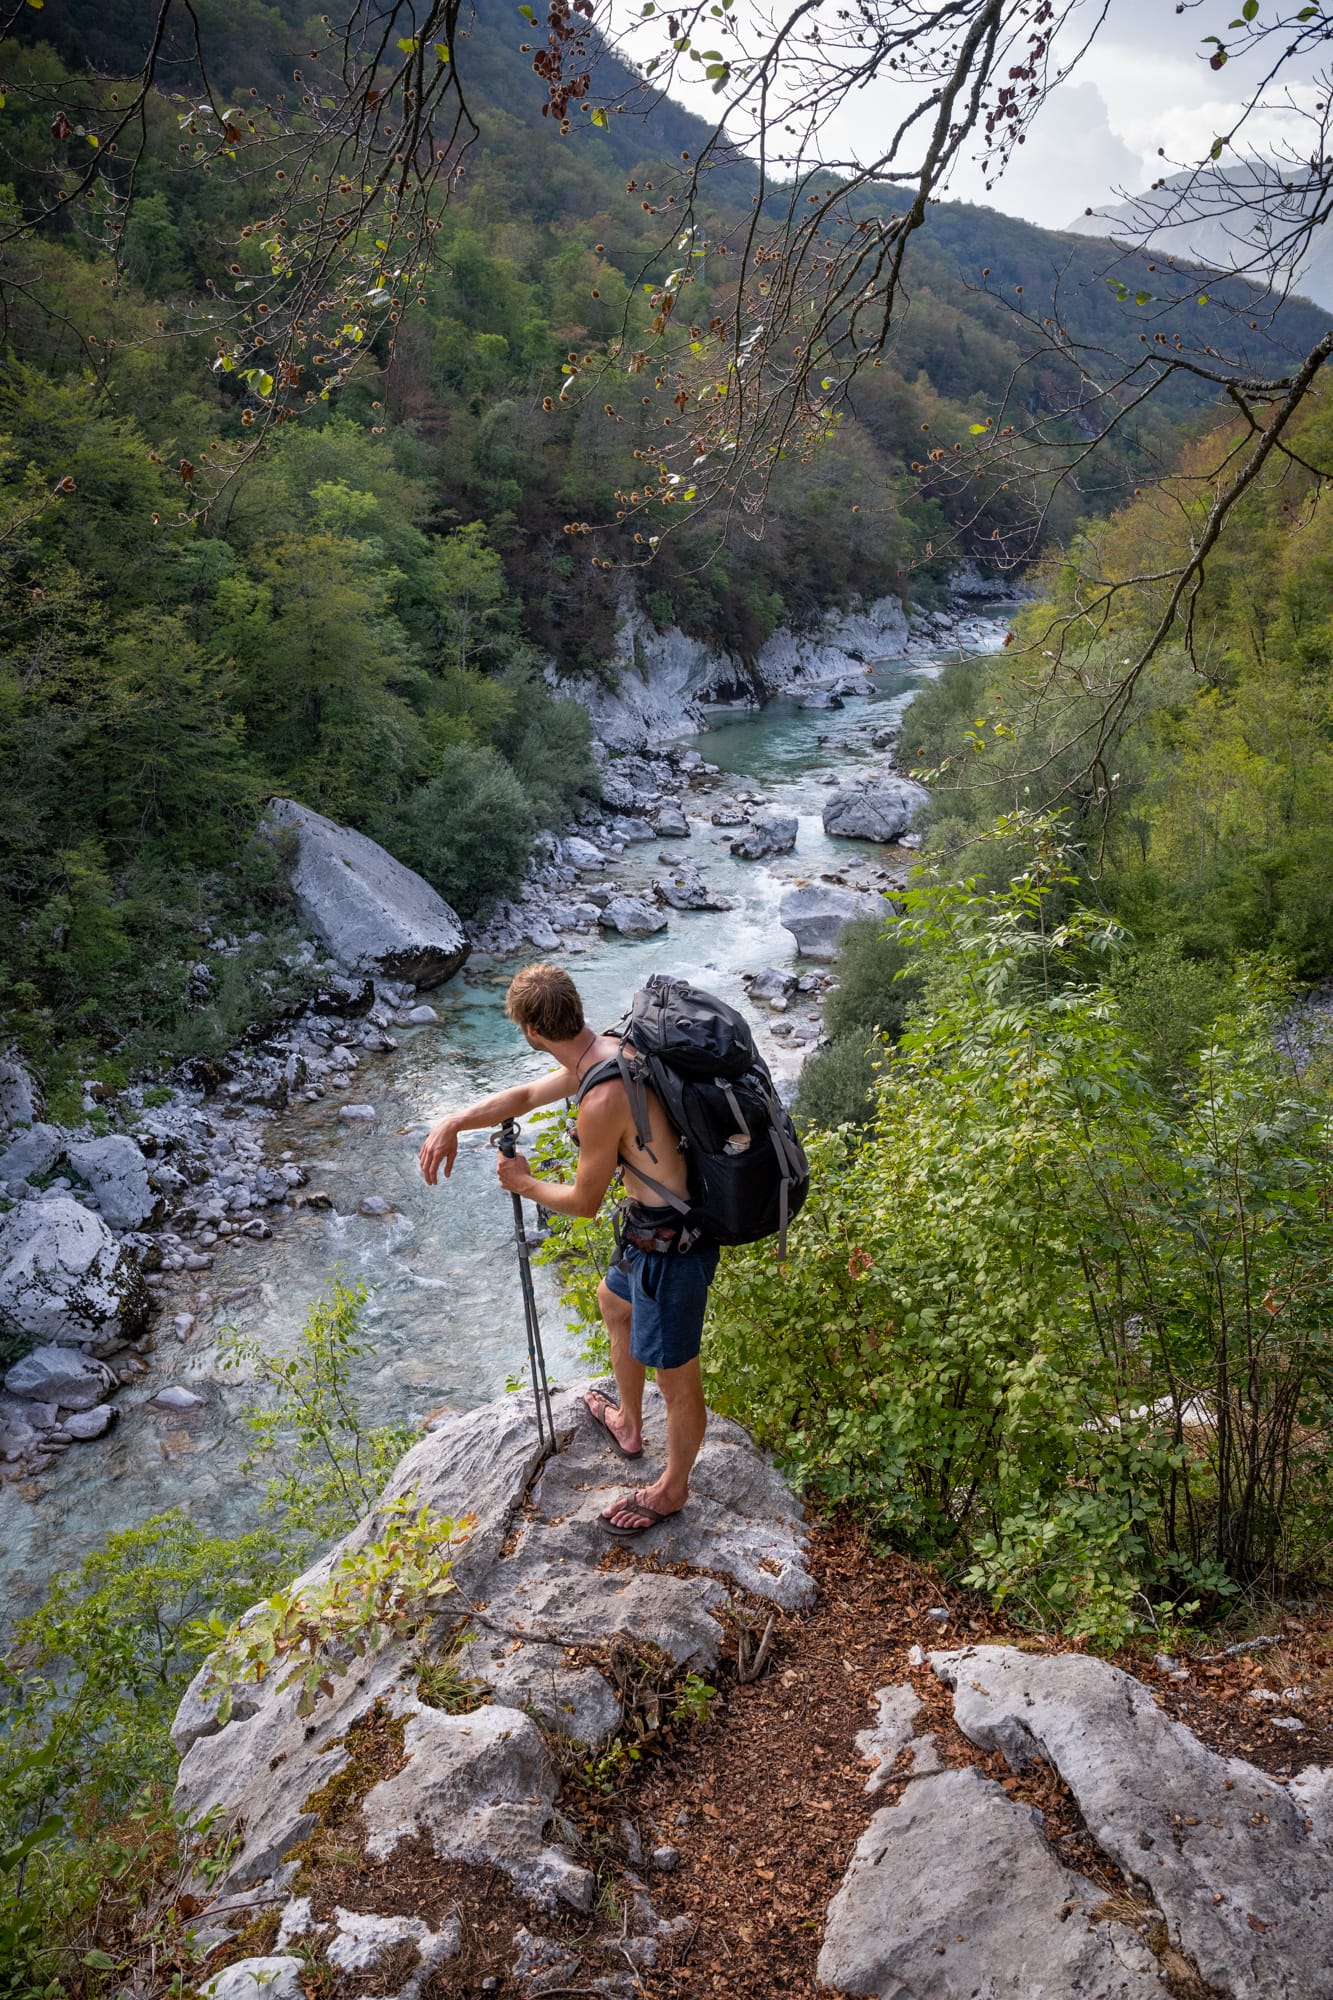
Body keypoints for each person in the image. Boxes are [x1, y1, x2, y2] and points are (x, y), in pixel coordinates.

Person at [418, 962, 719, 1536]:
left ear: (531, 1030)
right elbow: (528, 1094)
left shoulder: (603, 1098)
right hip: (644, 1228)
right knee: (613, 1304)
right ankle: (629, 1426)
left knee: (677, 1378)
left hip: (674, 1245)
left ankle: (672, 1489)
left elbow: (583, 1201)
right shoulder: (604, 1052)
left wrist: (524, 1184)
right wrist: (454, 1119)